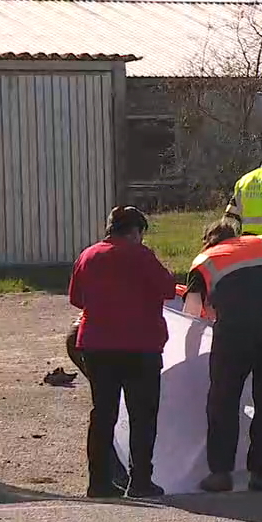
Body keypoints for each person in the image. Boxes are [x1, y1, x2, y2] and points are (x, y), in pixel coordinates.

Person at [183, 219, 262, 492]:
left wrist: (190, 354)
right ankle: (261, 474)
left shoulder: (204, 260)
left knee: (223, 400)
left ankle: (221, 473)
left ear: (208, 241)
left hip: (234, 332)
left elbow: (191, 312)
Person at [68, 206, 176, 499]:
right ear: (135, 232)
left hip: (97, 346)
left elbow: (77, 299)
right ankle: (140, 480)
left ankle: (99, 481)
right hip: (139, 346)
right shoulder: (141, 255)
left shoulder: (88, 256)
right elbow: (168, 288)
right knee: (142, 414)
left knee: (103, 414)